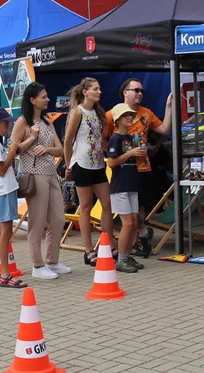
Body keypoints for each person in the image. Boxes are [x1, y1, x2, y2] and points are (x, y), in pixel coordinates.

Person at [103, 79, 174, 258]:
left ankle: (134, 245)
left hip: (142, 167)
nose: (140, 94)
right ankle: (133, 242)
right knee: (128, 213)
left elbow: (164, 129)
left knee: (139, 208)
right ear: (125, 92)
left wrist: (168, 107)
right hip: (123, 168)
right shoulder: (113, 115)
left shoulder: (146, 113)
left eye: (142, 91)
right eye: (136, 90)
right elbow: (101, 137)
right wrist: (113, 152)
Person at [12, 82, 70, 280]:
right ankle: (38, 265)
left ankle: (52, 260)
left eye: (46, 96)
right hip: (33, 174)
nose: (47, 99)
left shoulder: (46, 120)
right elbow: (14, 149)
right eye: (43, 97)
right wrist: (32, 138)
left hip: (51, 173)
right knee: (36, 222)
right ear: (32, 100)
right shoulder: (23, 122)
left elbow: (60, 149)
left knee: (58, 219)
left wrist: (47, 149)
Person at [64, 77, 115, 266]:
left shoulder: (97, 112)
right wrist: (69, 165)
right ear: (85, 92)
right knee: (85, 206)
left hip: (98, 163)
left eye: (99, 88)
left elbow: (101, 139)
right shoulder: (78, 112)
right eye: (95, 89)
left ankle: (108, 244)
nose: (99, 92)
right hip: (82, 163)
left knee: (107, 203)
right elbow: (68, 140)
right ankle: (87, 249)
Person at [0, 106, 26, 288]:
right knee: (5, 232)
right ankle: (5, 274)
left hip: (0, 190)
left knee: (0, 232)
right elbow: (1, 170)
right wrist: (12, 152)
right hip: (3, 190)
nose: (8, 128)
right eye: (5, 124)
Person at [106, 103, 147, 273]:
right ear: (117, 120)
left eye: (131, 115)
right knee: (128, 223)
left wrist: (140, 153)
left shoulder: (130, 138)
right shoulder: (115, 138)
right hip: (120, 186)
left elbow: (130, 161)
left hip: (131, 184)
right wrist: (130, 154)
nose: (130, 117)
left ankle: (127, 255)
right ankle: (121, 259)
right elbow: (112, 162)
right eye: (125, 116)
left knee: (134, 222)